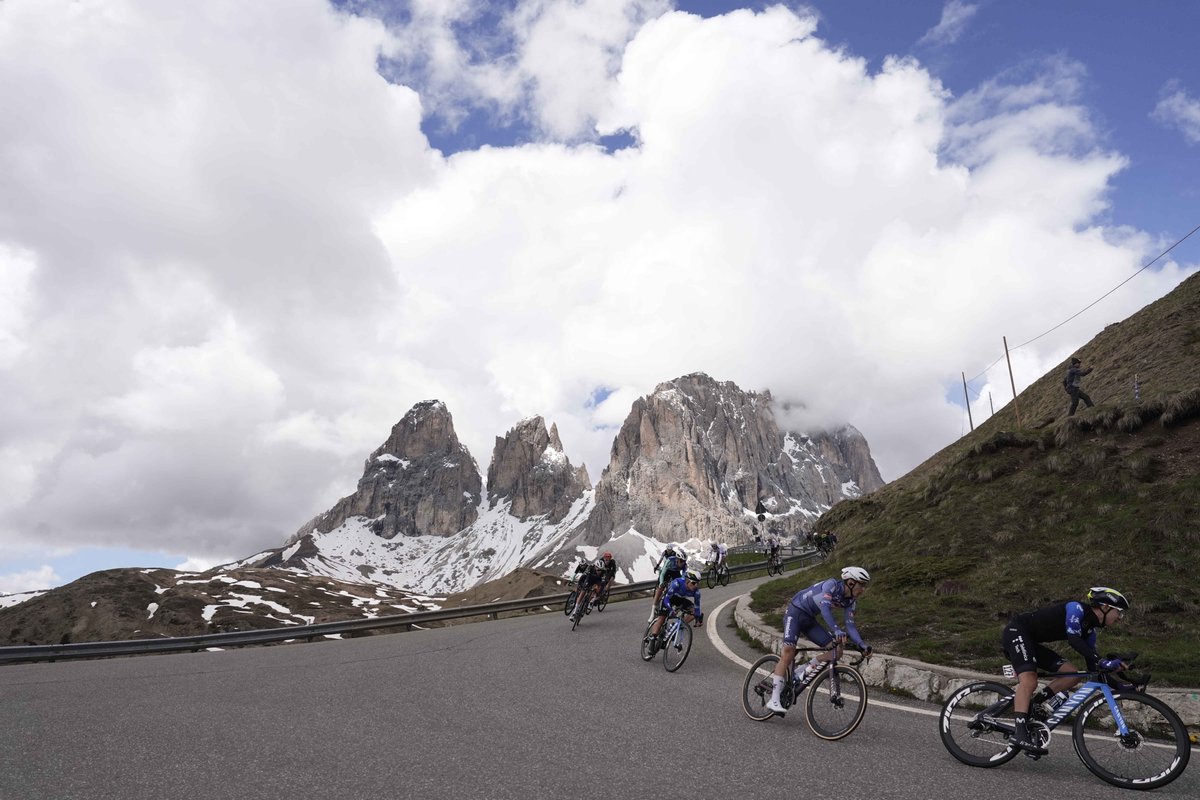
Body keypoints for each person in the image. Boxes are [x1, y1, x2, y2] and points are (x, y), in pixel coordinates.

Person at [1000, 587, 1130, 755]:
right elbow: (1073, 640)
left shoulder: (1090, 632)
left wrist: (1122, 686)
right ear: (1105, 607)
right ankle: (1019, 733)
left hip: (1031, 642)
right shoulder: (1076, 609)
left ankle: (1035, 705)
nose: (1120, 617)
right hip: (1017, 631)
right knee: (1029, 681)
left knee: (1072, 674)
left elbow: (1095, 672)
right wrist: (1102, 660)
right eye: (1119, 612)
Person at [765, 566, 873, 715]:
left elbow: (850, 625)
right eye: (862, 585)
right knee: (788, 652)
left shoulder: (850, 601)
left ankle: (800, 672)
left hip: (809, 619)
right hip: (795, 612)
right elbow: (825, 609)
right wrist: (836, 629)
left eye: (864, 585)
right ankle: (774, 699)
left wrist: (862, 645)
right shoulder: (832, 585)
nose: (863, 589)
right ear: (850, 582)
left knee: (836, 651)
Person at [646, 568, 704, 653]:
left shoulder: (697, 592)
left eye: (697, 583)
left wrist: (698, 619)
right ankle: (653, 638)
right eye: (693, 583)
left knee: (693, 612)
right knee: (662, 618)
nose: (696, 586)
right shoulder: (677, 583)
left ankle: (677, 626)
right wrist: (670, 609)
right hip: (669, 598)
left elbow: (697, 608)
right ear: (687, 581)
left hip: (680, 600)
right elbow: (666, 598)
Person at [649, 546, 688, 622]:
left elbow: (683, 578)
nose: (683, 563)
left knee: (679, 589)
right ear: (677, 559)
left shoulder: (684, 566)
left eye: (684, 561)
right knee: (660, 589)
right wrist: (661, 583)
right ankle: (653, 611)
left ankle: (675, 608)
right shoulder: (670, 560)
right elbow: (663, 573)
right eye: (681, 561)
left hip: (675, 573)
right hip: (666, 572)